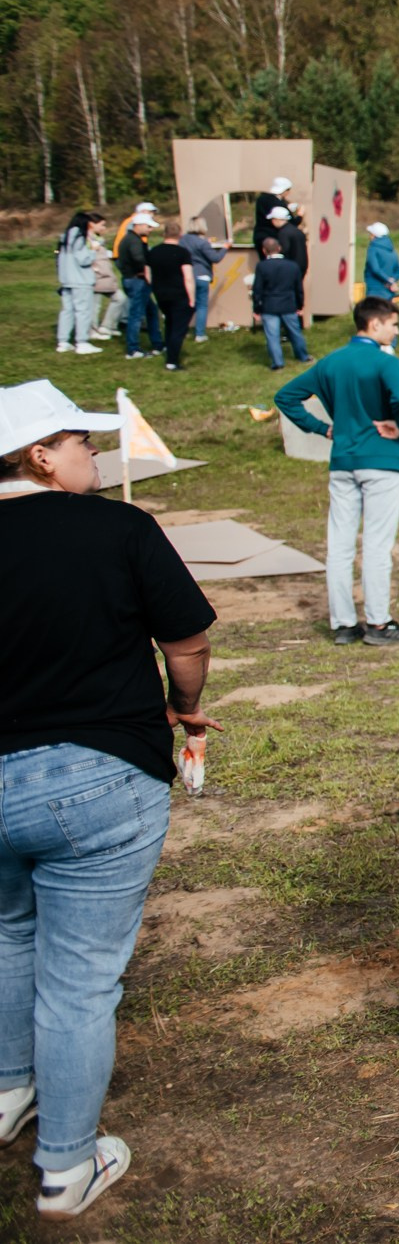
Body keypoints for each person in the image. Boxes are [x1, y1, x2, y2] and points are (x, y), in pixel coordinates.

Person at [0, 379, 220, 1217]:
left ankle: (9, 1089)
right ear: (40, 456)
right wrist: (186, 701)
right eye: (81, 442)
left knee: (9, 932)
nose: (97, 453)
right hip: (97, 775)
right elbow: (188, 637)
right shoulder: (122, 528)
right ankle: (65, 1164)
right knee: (81, 980)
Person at [275, 298, 399, 648]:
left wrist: (323, 428)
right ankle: (378, 622)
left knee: (338, 545)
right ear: (374, 325)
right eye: (393, 324)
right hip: (381, 460)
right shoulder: (385, 362)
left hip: (343, 461)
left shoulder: (330, 362)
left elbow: (286, 396)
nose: (396, 330)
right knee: (376, 544)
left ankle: (343, 623)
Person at [252, 238, 311, 371]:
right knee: (295, 332)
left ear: (264, 250)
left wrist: (257, 308)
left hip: (269, 306)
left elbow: (258, 290)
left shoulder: (262, 266)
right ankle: (303, 356)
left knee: (272, 336)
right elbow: (298, 289)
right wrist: (300, 305)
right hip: (289, 305)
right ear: (279, 248)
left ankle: (278, 363)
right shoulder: (292, 266)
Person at [143, 229, 198, 372]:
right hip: (179, 293)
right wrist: (192, 298)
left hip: (161, 294)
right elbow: (188, 277)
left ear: (164, 235)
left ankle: (168, 348)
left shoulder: (153, 252)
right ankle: (172, 361)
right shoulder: (182, 253)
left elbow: (147, 274)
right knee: (179, 329)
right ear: (179, 235)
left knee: (169, 322)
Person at [114, 216, 163, 361]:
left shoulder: (129, 239)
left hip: (132, 279)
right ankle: (133, 349)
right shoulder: (134, 241)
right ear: (139, 225)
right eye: (148, 227)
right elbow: (139, 259)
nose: (151, 230)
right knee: (136, 315)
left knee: (152, 311)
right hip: (137, 281)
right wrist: (147, 272)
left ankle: (157, 343)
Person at [54, 213, 102, 355]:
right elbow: (83, 259)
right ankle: (82, 342)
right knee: (83, 311)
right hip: (81, 280)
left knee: (67, 310)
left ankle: (63, 341)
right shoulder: (79, 238)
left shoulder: (65, 238)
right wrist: (93, 250)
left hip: (66, 279)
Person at [175, 218, 226, 345]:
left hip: (186, 276)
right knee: (201, 306)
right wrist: (225, 248)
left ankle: (182, 331)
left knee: (186, 305)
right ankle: (200, 334)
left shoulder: (182, 240)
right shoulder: (202, 243)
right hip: (202, 276)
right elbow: (215, 258)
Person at [363, 221, 399, 303]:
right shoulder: (391, 249)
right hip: (389, 291)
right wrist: (392, 281)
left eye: (370, 234)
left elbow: (375, 269)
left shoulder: (373, 248)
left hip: (374, 289)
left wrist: (388, 280)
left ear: (374, 235)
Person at [268, 205, 309, 281]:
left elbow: (284, 251)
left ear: (277, 219)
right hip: (301, 267)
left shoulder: (283, 233)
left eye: (273, 219)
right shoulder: (297, 231)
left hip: (290, 269)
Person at [252, 178, 293, 250]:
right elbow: (292, 221)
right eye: (288, 190)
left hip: (259, 236)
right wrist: (299, 216)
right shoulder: (277, 203)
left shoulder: (261, 199)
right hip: (273, 238)